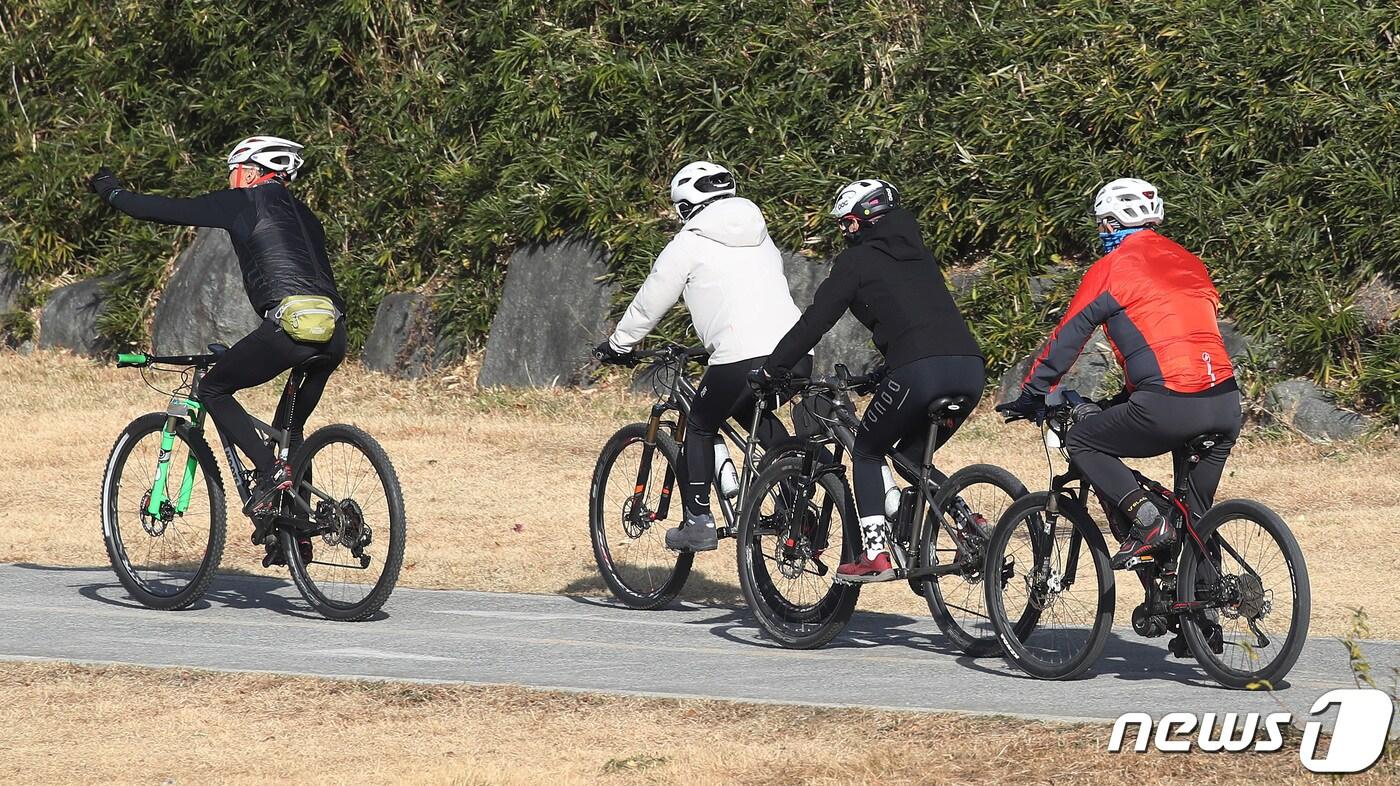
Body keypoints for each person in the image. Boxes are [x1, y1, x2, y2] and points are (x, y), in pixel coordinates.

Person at [90, 136, 347, 520]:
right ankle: (298, 533)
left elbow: (163, 210)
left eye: (232, 173)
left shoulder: (243, 200)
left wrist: (112, 192)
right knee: (289, 434)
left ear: (248, 171)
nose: (230, 181)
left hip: (289, 329)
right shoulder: (308, 216)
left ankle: (268, 469)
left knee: (214, 388)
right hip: (335, 333)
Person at [997, 177, 1241, 570]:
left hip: (1169, 404)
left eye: (1100, 224)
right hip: (1225, 403)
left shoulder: (1113, 268)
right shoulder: (1188, 260)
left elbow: (1069, 335)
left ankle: (1147, 520)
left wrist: (1035, 391)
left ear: (1111, 224)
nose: (1100, 233)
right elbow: (1172, 338)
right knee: (1196, 522)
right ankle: (1201, 615)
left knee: (1082, 441)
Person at [756, 179, 985, 582]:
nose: (844, 232)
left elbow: (815, 323)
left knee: (866, 449)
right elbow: (919, 320)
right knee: (913, 460)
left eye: (845, 223)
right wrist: (883, 372)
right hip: (968, 370)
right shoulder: (920, 255)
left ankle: (875, 553)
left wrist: (775, 369)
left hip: (919, 372)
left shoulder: (856, 262)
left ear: (861, 221)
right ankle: (967, 523)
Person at [593, 161, 811, 553]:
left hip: (740, 357)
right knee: (750, 411)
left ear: (684, 206)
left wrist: (619, 345)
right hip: (797, 353)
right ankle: (795, 496)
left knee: (699, 424)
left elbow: (650, 301)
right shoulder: (761, 235)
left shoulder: (689, 242)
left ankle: (698, 521)